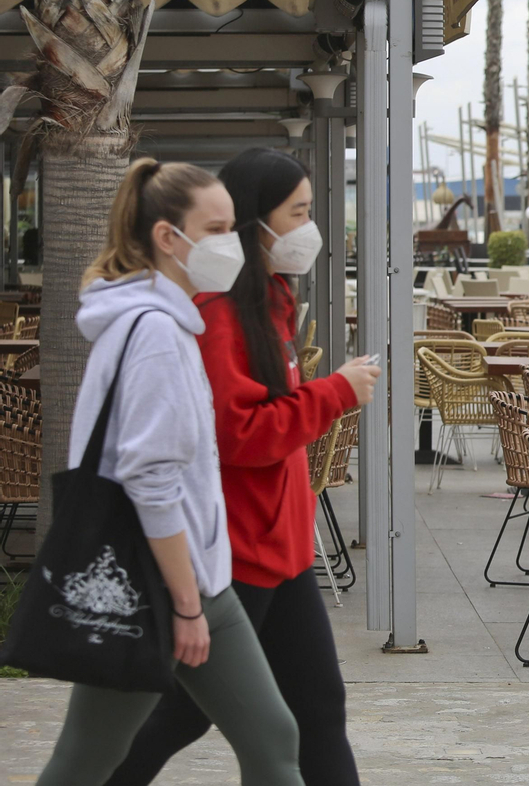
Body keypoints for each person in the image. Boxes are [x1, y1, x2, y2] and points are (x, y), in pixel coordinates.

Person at [106, 148, 380, 786]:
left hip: (281, 549)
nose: (310, 229)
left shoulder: (268, 301)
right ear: (258, 223)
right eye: (299, 214)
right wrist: (335, 392)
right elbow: (243, 435)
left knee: (315, 711)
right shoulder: (219, 315)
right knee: (181, 716)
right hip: (236, 551)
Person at [35, 159, 303, 786]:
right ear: (167, 237)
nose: (230, 244)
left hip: (195, 577)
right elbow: (150, 479)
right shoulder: (154, 332)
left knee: (272, 737)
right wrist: (185, 606)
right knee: (88, 758)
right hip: (160, 584)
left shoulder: (164, 322)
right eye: (215, 230)